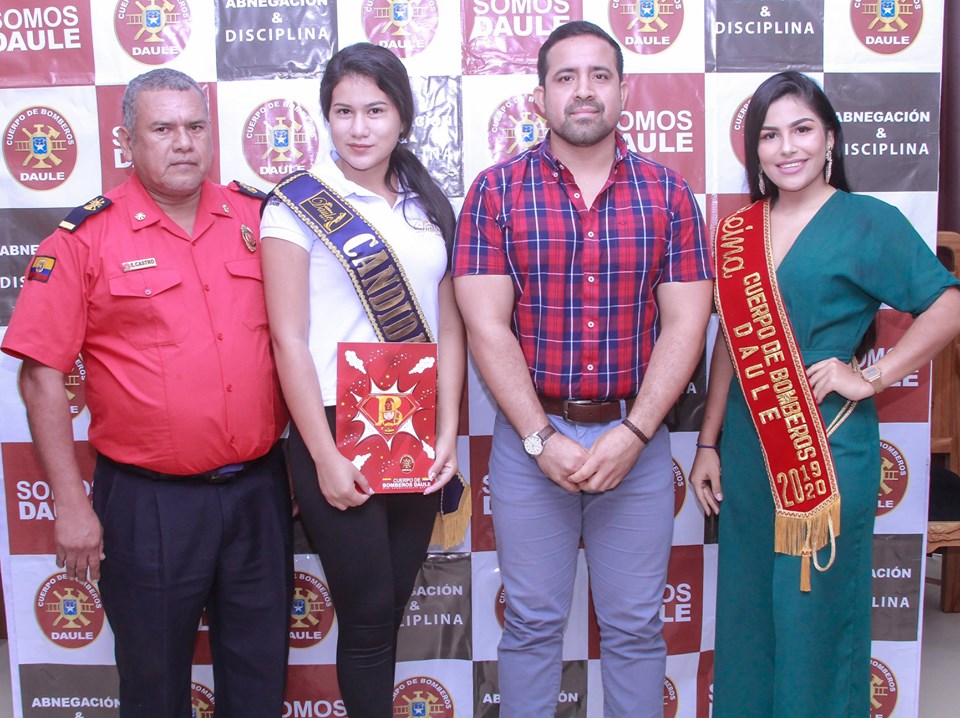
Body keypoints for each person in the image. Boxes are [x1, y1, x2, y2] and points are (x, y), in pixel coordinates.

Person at [1, 69, 293, 716]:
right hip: (148, 505)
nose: (183, 142)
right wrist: (70, 504)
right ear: (125, 141)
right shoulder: (82, 240)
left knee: (260, 682)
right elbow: (41, 374)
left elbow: (302, 344)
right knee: (154, 686)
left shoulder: (262, 219)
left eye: (195, 126)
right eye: (162, 128)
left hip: (258, 493)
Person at [453, 21, 713, 718]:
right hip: (529, 441)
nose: (584, 90)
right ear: (540, 97)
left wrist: (635, 433)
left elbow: (687, 325)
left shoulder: (668, 195)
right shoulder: (496, 192)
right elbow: (485, 326)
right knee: (531, 625)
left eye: (600, 75)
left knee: (635, 629)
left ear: (624, 90)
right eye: (565, 77)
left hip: (637, 441)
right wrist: (541, 438)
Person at [689, 71, 960, 718]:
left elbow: (946, 305)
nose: (787, 147)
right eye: (769, 135)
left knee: (815, 621)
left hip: (827, 448)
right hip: (749, 452)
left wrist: (872, 377)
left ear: (831, 138)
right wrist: (707, 441)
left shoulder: (869, 221)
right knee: (750, 617)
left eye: (803, 129)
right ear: (754, 149)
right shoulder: (740, 231)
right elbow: (731, 340)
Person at [259, 43, 465, 718]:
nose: (359, 127)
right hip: (332, 422)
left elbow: (450, 326)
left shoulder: (426, 204)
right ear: (326, 117)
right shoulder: (295, 204)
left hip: (413, 422)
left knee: (389, 609)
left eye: (375, 110)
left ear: (402, 116)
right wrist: (321, 455)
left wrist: (446, 432)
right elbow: (288, 338)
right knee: (369, 611)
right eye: (343, 111)